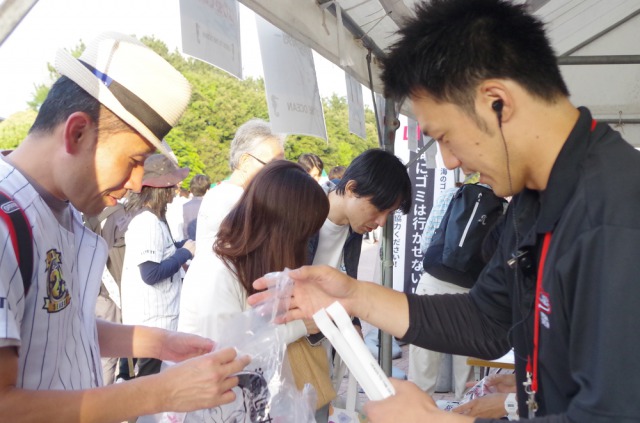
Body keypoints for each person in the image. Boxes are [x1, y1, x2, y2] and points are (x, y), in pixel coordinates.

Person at [249, 0, 640, 421]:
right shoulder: (533, 201)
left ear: (497, 102)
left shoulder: (615, 215)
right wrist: (355, 297)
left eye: (445, 136)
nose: (451, 162)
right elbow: (487, 320)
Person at [0, 32, 249, 422]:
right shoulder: (6, 225)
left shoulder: (63, 212)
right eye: (134, 161)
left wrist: (161, 343)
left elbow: (57, 327)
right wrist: (160, 392)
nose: (136, 182)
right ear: (77, 133)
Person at [177, 160, 330, 422]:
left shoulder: (250, 263)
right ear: (283, 230)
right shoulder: (217, 270)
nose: (303, 247)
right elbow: (225, 354)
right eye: (302, 236)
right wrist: (302, 325)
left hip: (243, 403)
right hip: (212, 407)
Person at [307, 148, 412, 421]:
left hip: (321, 353)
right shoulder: (303, 216)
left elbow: (345, 286)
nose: (381, 222)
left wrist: (353, 322)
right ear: (352, 189)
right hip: (289, 353)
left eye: (389, 213)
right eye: (379, 209)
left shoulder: (353, 232)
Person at [119, 154, 196, 379]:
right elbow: (151, 273)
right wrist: (184, 253)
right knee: (148, 385)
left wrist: (183, 246)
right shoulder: (147, 222)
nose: (176, 190)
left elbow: (164, 251)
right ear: (161, 189)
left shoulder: (155, 218)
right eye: (172, 185)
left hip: (158, 322)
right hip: (151, 323)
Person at [408, 172, 480, 399]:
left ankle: (418, 411)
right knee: (467, 373)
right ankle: (465, 409)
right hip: (471, 292)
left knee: (423, 367)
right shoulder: (503, 207)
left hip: (433, 283)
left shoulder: (451, 194)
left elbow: (425, 243)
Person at [194, 118, 285, 254]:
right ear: (245, 161)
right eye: (272, 165)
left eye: (281, 166)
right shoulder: (238, 201)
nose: (279, 174)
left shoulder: (218, 193)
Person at [84, 202, 129, 385]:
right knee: (109, 355)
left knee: (95, 351)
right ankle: (102, 396)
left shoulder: (86, 211)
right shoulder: (118, 212)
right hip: (108, 291)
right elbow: (117, 256)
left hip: (91, 288)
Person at [183, 173, 211, 240]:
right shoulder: (211, 205)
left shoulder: (184, 206)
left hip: (190, 242)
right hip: (207, 241)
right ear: (207, 190)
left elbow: (184, 229)